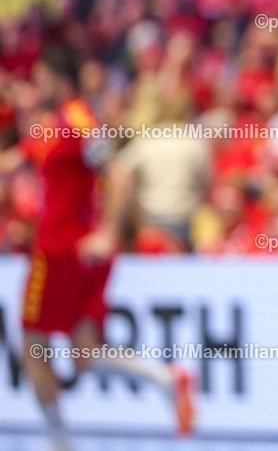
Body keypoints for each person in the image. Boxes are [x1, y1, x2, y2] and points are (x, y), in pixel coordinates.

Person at [17, 47, 194, 451]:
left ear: (57, 80)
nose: (33, 87)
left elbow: (117, 173)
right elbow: (23, 160)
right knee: (84, 353)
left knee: (31, 342)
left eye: (39, 79)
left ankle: (58, 441)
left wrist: (108, 230)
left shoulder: (78, 120)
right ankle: (164, 379)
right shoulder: (57, 124)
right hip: (79, 251)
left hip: (63, 251)